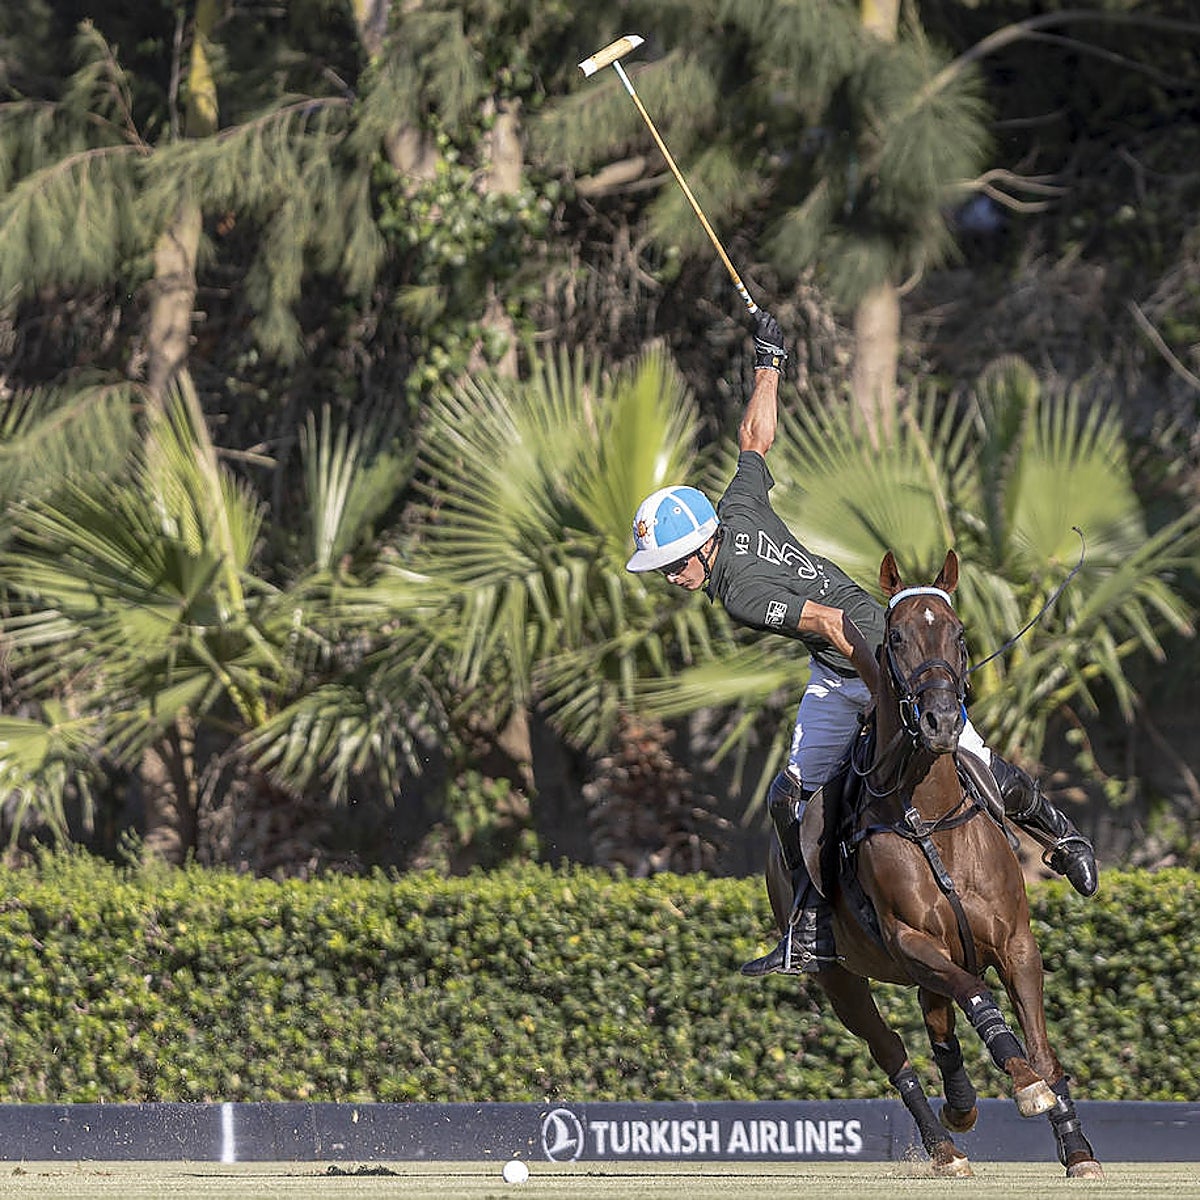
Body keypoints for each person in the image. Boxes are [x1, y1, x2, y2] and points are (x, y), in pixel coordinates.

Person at [625, 310, 1099, 977]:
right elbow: (754, 438)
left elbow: (830, 624)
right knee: (966, 755)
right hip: (872, 653)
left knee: (800, 795)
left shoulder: (735, 590)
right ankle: (1057, 838)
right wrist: (769, 359)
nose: (673, 577)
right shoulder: (736, 509)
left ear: (701, 546)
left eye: (675, 563)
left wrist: (884, 696)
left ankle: (821, 925)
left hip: (868, 661)